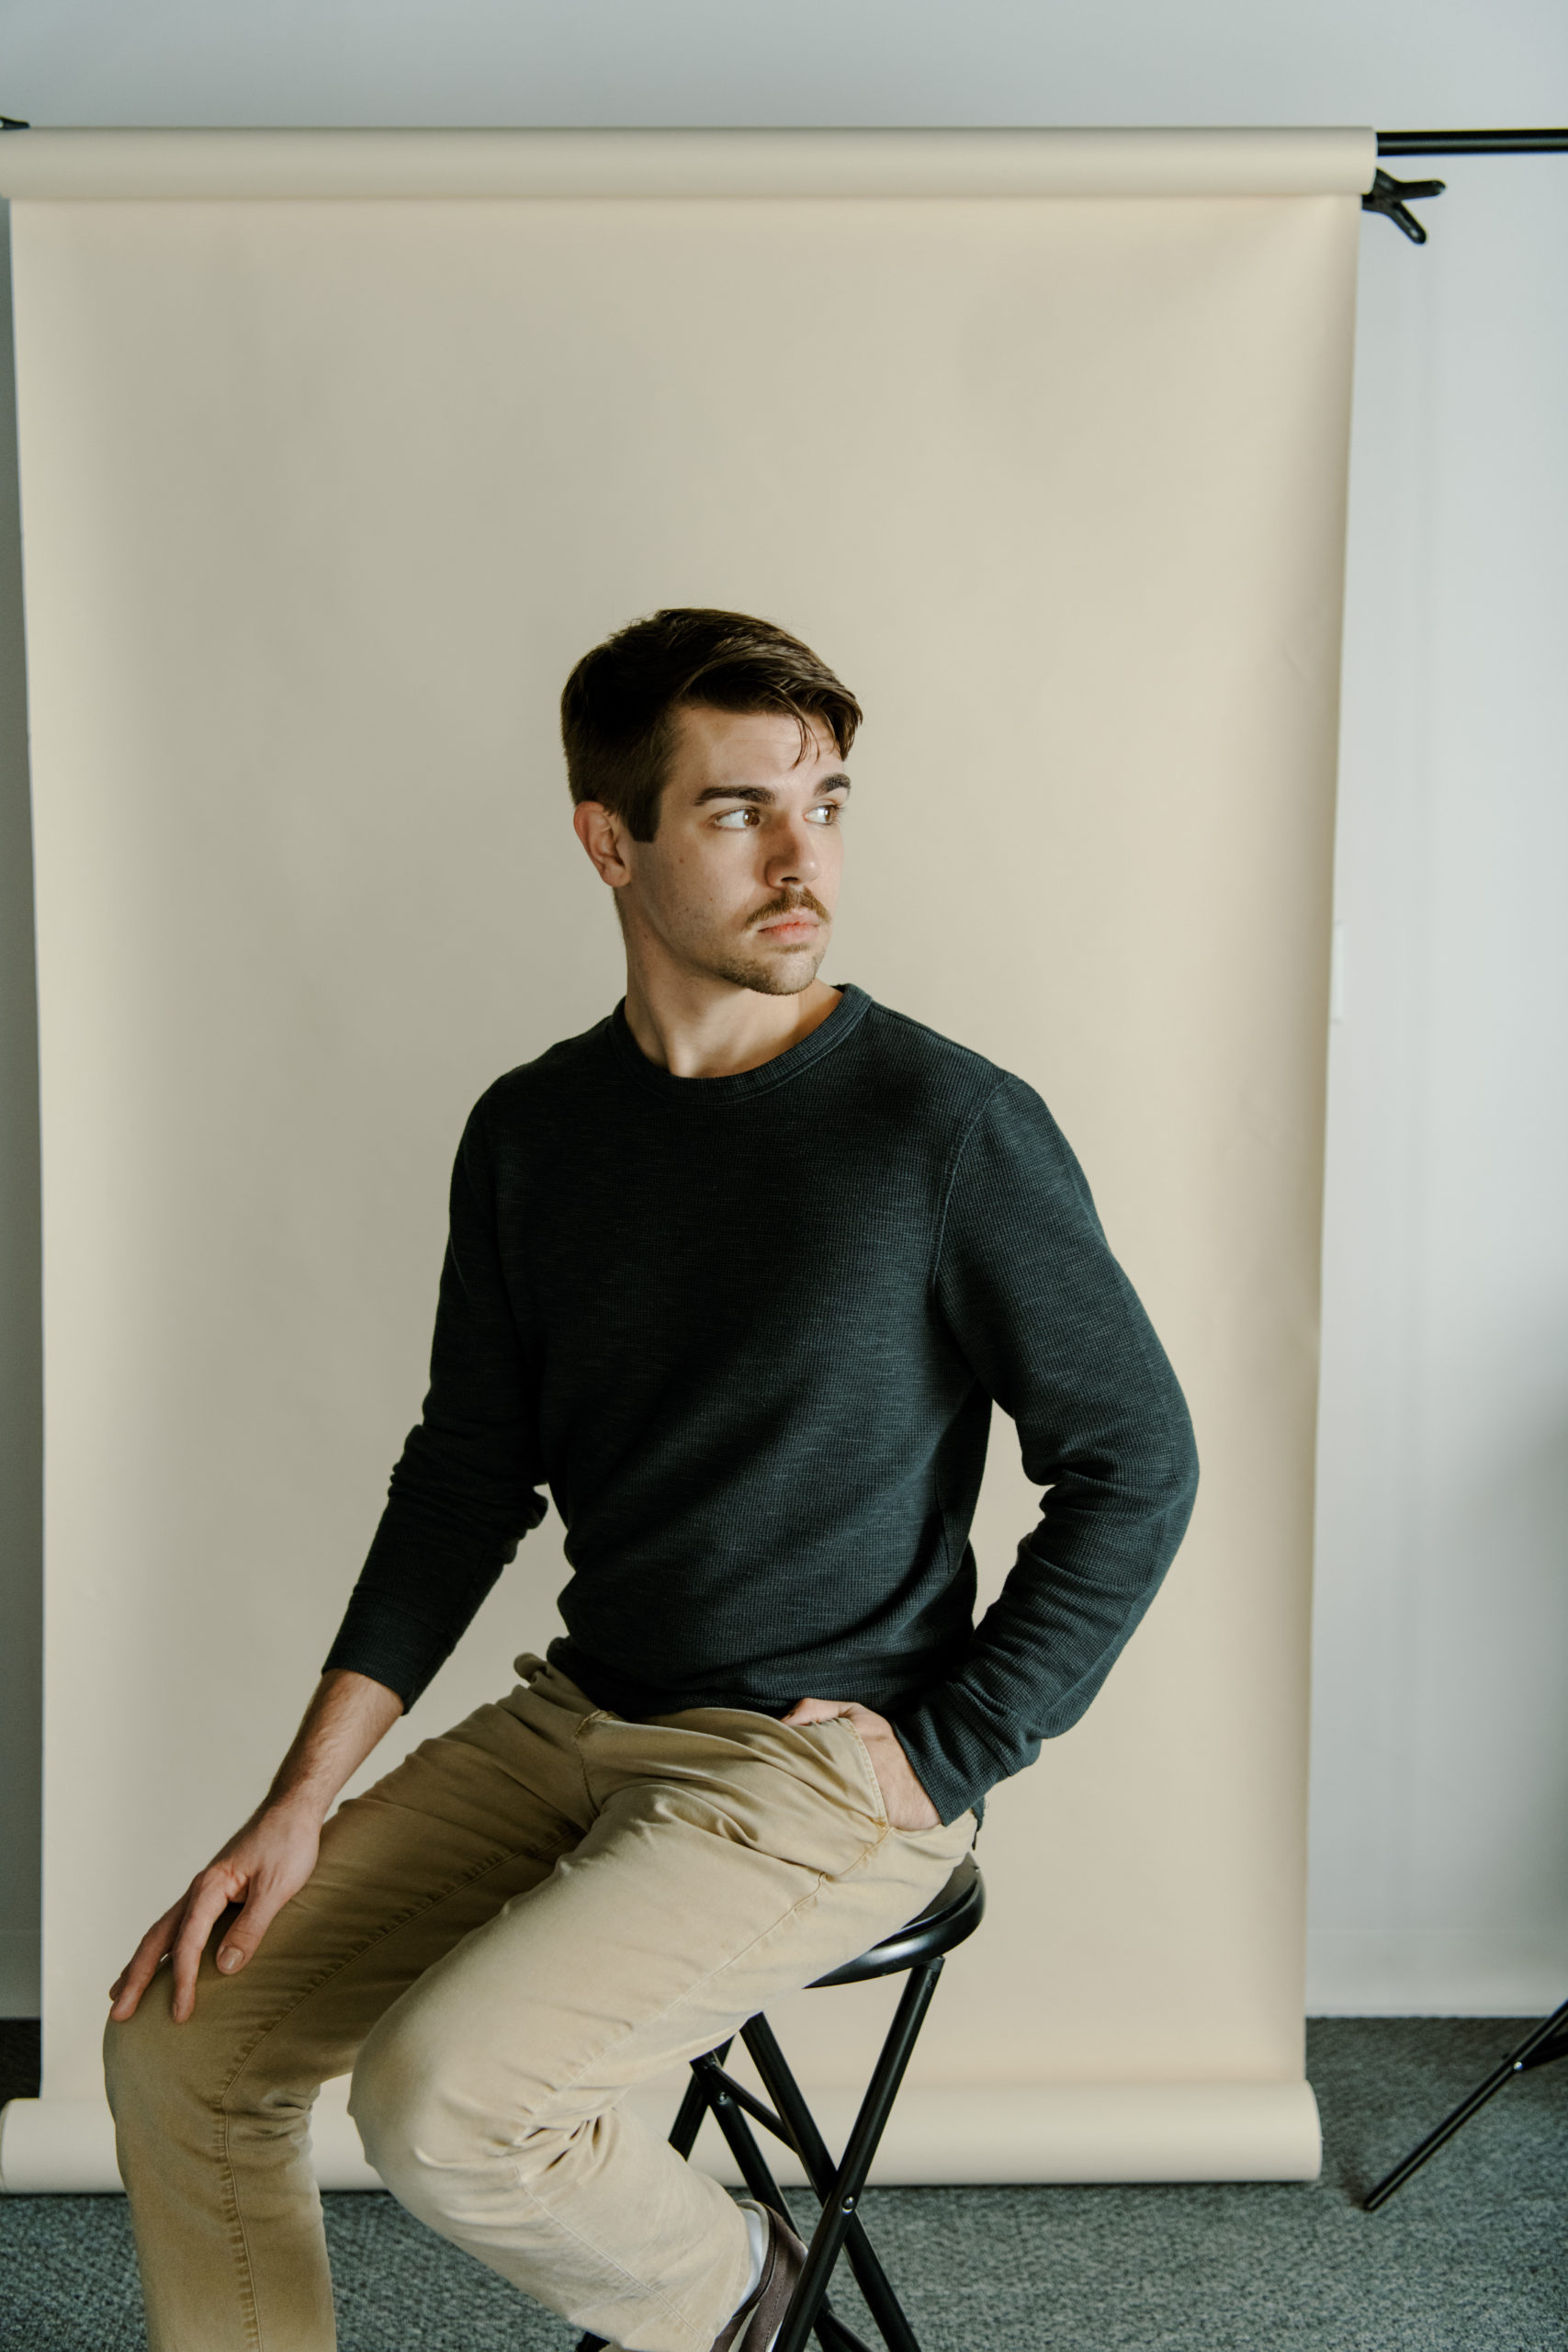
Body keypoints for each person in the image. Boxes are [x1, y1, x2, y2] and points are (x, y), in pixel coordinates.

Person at [104, 606, 1199, 2352]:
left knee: (443, 2103)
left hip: (815, 1769)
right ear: (607, 840)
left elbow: (1137, 1461)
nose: (802, 862)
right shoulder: (533, 1132)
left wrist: (950, 1749)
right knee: (182, 2037)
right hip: (582, 1718)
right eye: (738, 812)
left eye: (825, 807)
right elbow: (466, 1477)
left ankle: (749, 2302)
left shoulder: (943, 1128)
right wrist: (301, 1798)